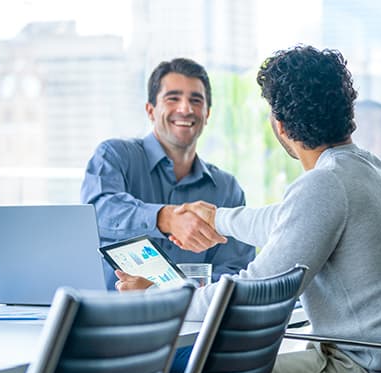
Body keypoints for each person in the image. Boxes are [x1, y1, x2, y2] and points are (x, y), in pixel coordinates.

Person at [115, 45, 381, 373]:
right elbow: (287, 222)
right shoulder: (364, 169)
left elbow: (251, 294)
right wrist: (219, 219)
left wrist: (155, 296)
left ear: (279, 126)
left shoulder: (325, 184)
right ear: (347, 112)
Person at [80, 57, 255, 291]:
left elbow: (235, 271)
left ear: (207, 114)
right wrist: (166, 218)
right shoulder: (114, 156)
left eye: (196, 100)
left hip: (191, 322)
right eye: (173, 98)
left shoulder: (226, 189)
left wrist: (171, 290)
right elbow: (98, 212)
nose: (185, 108)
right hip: (113, 317)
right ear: (150, 110)